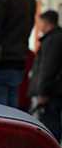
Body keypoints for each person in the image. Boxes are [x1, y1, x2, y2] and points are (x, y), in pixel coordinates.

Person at [28, 9, 62, 141]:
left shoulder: (52, 40)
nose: (39, 26)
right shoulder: (55, 37)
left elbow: (48, 68)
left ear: (46, 23)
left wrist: (43, 93)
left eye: (40, 22)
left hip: (51, 92)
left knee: (50, 126)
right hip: (54, 90)